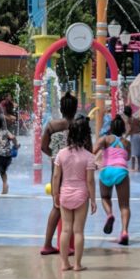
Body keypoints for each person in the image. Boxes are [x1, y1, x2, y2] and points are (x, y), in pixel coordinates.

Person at [53, 115, 96, 272]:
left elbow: (56, 176)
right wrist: (93, 200)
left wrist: (55, 194)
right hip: (81, 195)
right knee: (78, 231)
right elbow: (90, 181)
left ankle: (64, 263)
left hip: (65, 194)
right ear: (86, 136)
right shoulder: (89, 157)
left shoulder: (61, 154)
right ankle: (77, 264)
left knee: (66, 229)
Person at [39, 93, 79, 255]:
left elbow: (43, 147)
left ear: (61, 108)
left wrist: (56, 156)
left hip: (57, 171)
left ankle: (48, 244)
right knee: (76, 207)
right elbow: (87, 149)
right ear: (75, 108)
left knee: (56, 207)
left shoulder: (51, 126)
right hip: (75, 172)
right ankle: (71, 245)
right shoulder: (79, 125)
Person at [93, 114, 131, 245]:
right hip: (121, 171)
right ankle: (124, 232)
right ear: (123, 129)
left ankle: (109, 214)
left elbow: (92, 152)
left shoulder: (105, 139)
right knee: (124, 205)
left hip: (106, 170)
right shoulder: (127, 143)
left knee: (105, 197)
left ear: (111, 128)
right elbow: (128, 158)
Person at [125, 104, 140, 172]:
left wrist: (125, 136)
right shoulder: (135, 119)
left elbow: (129, 129)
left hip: (134, 136)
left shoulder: (129, 120)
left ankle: (132, 168)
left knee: (133, 152)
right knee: (138, 153)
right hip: (139, 136)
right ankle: (139, 168)